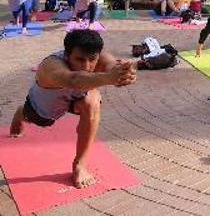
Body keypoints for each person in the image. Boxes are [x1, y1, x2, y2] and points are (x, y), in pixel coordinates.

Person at [9, 29, 137, 188]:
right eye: (79, 59)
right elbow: (74, 79)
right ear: (67, 55)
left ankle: (80, 165)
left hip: (75, 98)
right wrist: (108, 78)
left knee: (92, 102)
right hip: (45, 107)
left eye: (92, 59)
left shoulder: (97, 55)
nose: (86, 66)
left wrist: (123, 73)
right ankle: (21, 113)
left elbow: (111, 65)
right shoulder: (51, 65)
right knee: (36, 118)